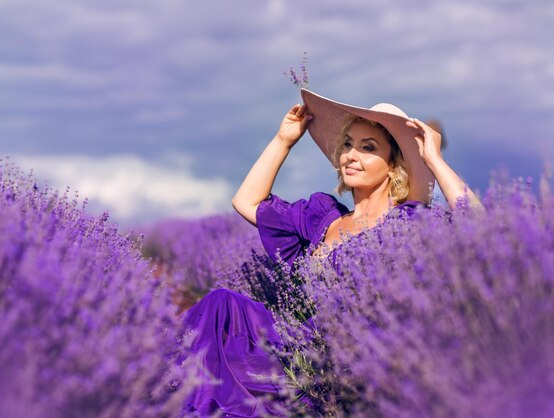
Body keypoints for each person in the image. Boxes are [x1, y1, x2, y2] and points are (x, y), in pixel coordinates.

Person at [180, 89, 482, 417]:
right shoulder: (322, 217)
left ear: (395, 164)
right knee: (221, 305)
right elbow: (246, 202)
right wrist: (284, 141)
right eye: (348, 144)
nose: (351, 155)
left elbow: (480, 227)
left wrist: (434, 161)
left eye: (368, 148)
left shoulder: (406, 224)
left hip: (351, 364)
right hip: (295, 348)